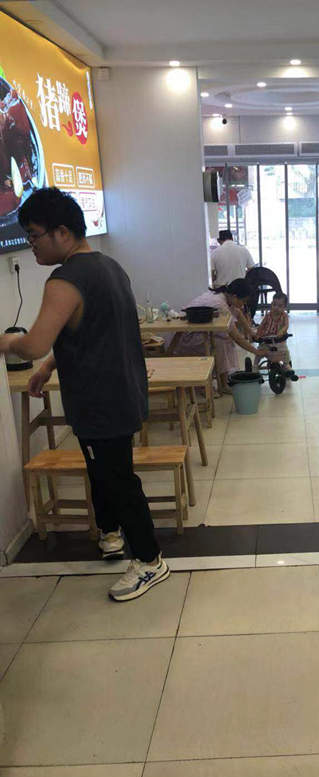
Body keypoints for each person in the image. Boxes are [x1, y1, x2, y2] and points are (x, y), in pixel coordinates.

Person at [0, 188, 168, 601]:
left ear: (62, 232)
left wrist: (6, 341)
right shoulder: (110, 267)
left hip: (100, 399)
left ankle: (150, 561)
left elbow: (34, 342)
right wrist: (47, 368)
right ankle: (110, 533)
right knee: (103, 470)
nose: (31, 244)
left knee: (117, 478)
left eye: (34, 235)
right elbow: (86, 332)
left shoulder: (65, 280)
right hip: (122, 390)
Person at [176, 278, 267, 390]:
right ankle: (222, 384)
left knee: (223, 339)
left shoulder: (223, 296)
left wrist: (251, 332)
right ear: (235, 296)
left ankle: (223, 381)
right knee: (223, 342)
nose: (243, 305)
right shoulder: (220, 304)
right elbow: (237, 337)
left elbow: (238, 313)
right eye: (243, 301)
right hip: (188, 338)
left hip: (196, 331)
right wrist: (256, 352)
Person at [254, 291, 290, 368]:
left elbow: (286, 325)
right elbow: (261, 325)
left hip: (279, 340)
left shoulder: (284, 316)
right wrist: (258, 334)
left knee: (285, 352)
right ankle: (255, 366)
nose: (276, 308)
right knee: (259, 353)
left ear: (284, 307)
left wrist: (282, 331)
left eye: (280, 306)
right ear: (271, 304)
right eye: (274, 304)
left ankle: (286, 365)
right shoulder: (268, 315)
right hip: (266, 340)